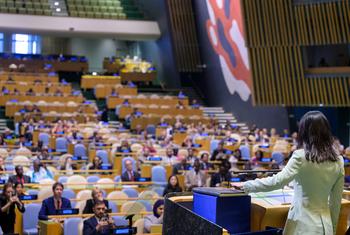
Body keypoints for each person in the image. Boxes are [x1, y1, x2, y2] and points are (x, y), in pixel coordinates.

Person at [233, 111, 344, 235]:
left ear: (304, 132)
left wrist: (246, 185)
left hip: (302, 226)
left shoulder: (300, 156)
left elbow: (277, 182)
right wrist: (332, 230)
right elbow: (336, 203)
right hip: (326, 228)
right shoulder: (339, 161)